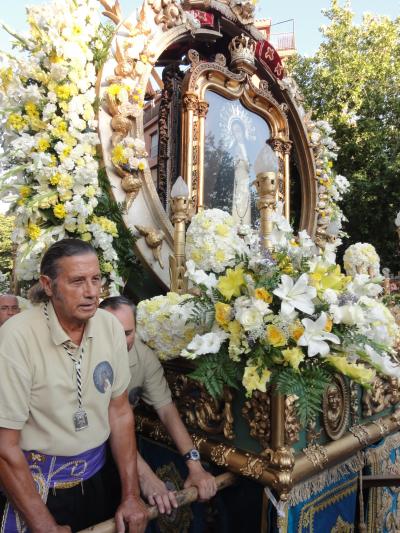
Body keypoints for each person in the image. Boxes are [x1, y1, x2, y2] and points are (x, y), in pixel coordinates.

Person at [0, 239, 148, 533]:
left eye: (96, 279)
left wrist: (131, 495)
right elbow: (5, 446)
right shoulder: (17, 336)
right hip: (38, 491)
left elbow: (119, 413)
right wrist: (42, 524)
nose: (92, 292)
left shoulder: (109, 327)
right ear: (48, 284)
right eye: (77, 281)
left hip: (99, 480)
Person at [99, 296, 217, 515]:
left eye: (127, 333)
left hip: (124, 446)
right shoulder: (84, 358)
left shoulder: (143, 357)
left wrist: (195, 465)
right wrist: (145, 476)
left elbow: (166, 410)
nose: (121, 341)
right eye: (112, 333)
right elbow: (107, 423)